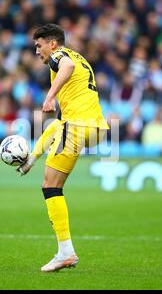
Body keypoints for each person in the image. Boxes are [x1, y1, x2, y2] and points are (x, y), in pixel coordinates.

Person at [16, 24, 109, 272]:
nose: (37, 51)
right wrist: (32, 159)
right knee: (53, 184)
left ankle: (66, 252)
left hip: (78, 126)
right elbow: (58, 124)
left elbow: (65, 66)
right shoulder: (80, 61)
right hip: (95, 129)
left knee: (50, 186)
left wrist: (48, 96)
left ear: (52, 44)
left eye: (39, 45)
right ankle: (65, 252)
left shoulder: (61, 58)